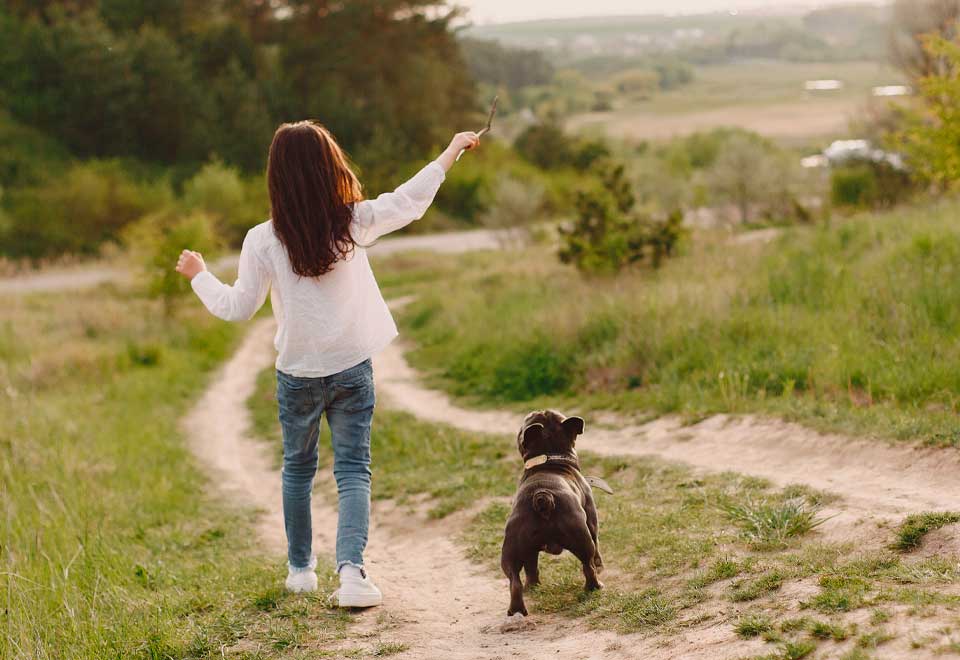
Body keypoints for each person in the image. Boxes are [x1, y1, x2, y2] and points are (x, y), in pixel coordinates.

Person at [175, 121, 480, 607]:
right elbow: (407, 200)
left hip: (296, 374)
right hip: (352, 368)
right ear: (329, 167)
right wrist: (450, 152)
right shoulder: (351, 221)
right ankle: (352, 574)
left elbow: (236, 307)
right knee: (354, 469)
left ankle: (300, 572)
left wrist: (200, 276)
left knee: (297, 470)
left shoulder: (262, 239)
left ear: (275, 177)